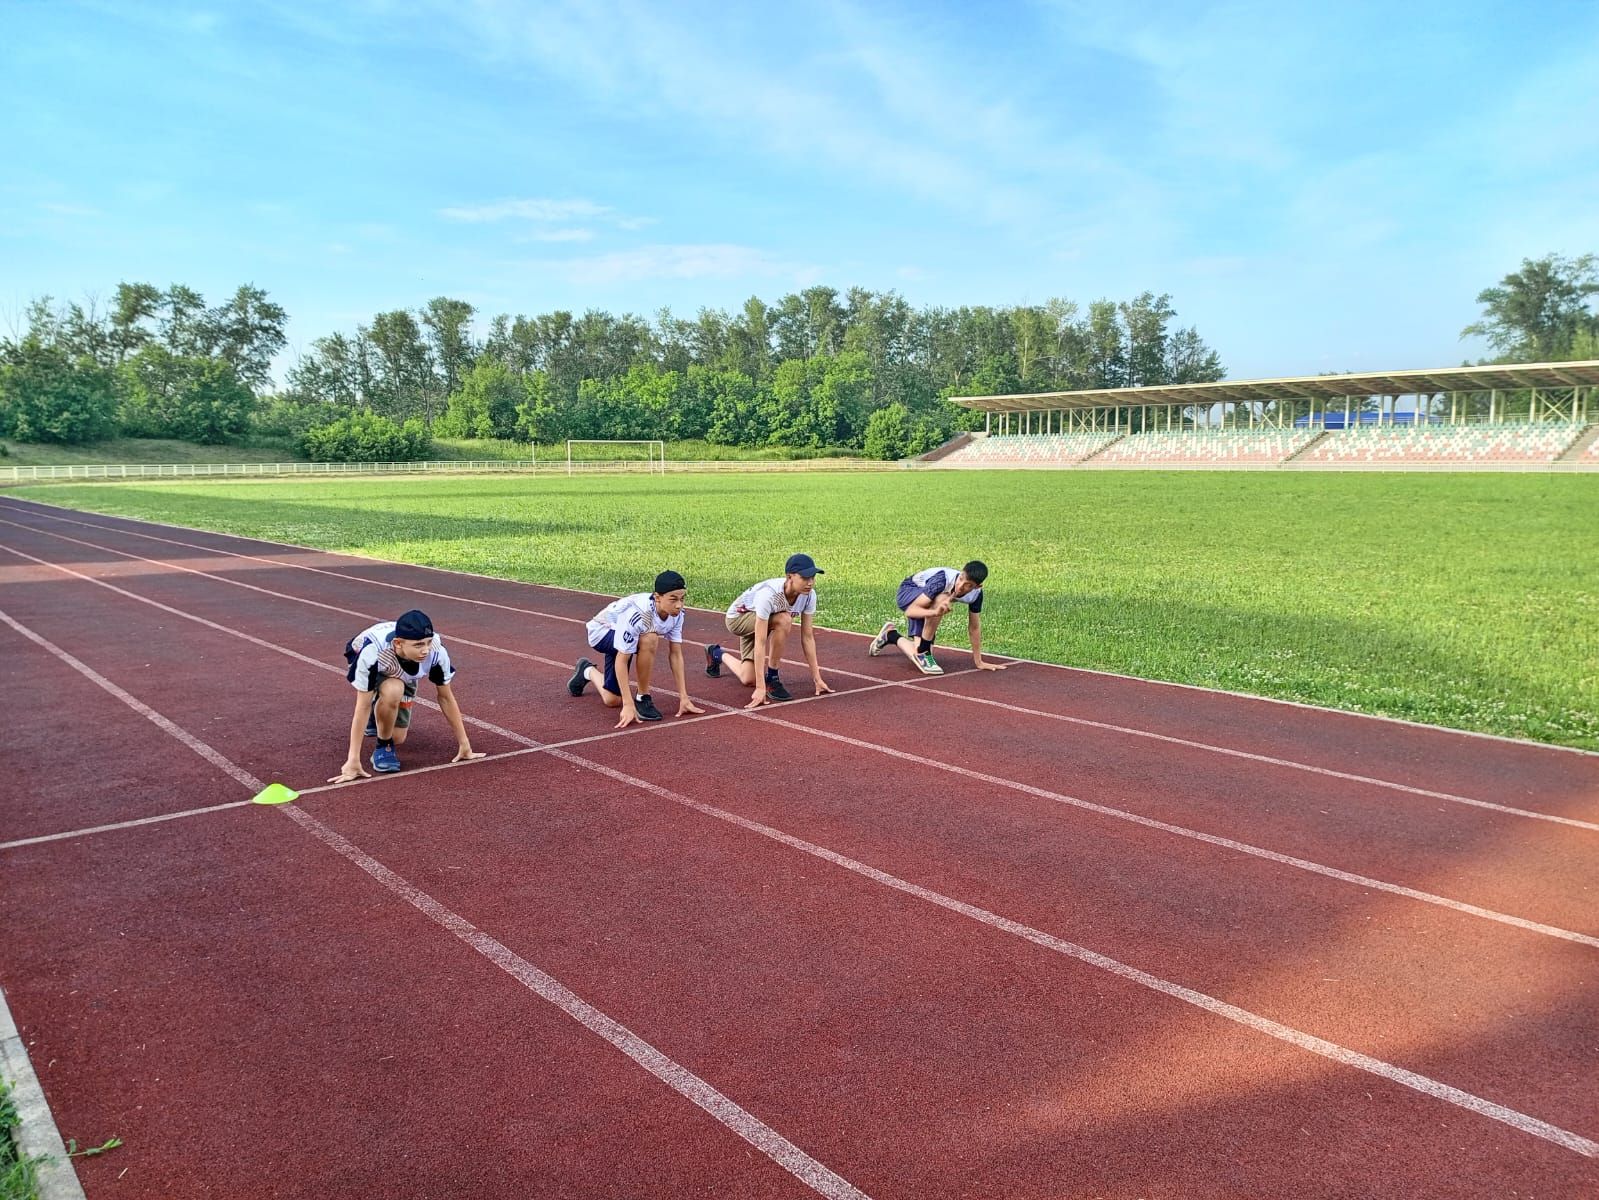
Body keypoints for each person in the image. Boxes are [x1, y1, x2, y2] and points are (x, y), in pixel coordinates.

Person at [329, 608, 484, 782]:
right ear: (398, 643)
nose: (425, 650)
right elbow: (361, 705)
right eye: (418, 645)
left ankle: (379, 713)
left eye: (428, 642)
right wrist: (353, 760)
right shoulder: (372, 652)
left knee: (398, 737)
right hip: (376, 663)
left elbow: (446, 697)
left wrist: (465, 744)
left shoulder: (436, 652)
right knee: (393, 690)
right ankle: (383, 748)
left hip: (404, 669)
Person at [569, 571, 706, 728]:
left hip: (624, 635)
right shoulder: (640, 614)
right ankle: (643, 697)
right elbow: (622, 658)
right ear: (657, 597)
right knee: (649, 638)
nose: (679, 605)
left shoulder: (678, 614)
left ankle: (587, 671)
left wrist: (684, 697)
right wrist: (628, 704)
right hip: (602, 632)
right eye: (673, 599)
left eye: (682, 599)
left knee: (612, 700)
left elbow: (675, 654)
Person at [706, 553, 834, 708]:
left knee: (748, 679)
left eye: (813, 578)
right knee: (783, 619)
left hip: (763, 620)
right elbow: (760, 642)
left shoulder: (808, 596)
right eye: (805, 578)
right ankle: (772, 678)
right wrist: (761, 688)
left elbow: (807, 637)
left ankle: (716, 653)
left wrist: (817, 678)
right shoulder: (769, 596)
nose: (810, 583)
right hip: (739, 620)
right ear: (789, 577)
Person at [869, 561, 1006, 675]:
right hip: (909, 592)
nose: (960, 586)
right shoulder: (942, 580)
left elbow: (974, 627)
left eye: (968, 585)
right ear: (960, 572)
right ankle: (924, 651)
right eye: (960, 579)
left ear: (977, 586)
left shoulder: (976, 595)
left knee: (916, 652)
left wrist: (979, 662)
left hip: (928, 603)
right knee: (942, 598)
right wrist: (935, 613)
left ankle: (891, 635)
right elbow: (911, 611)